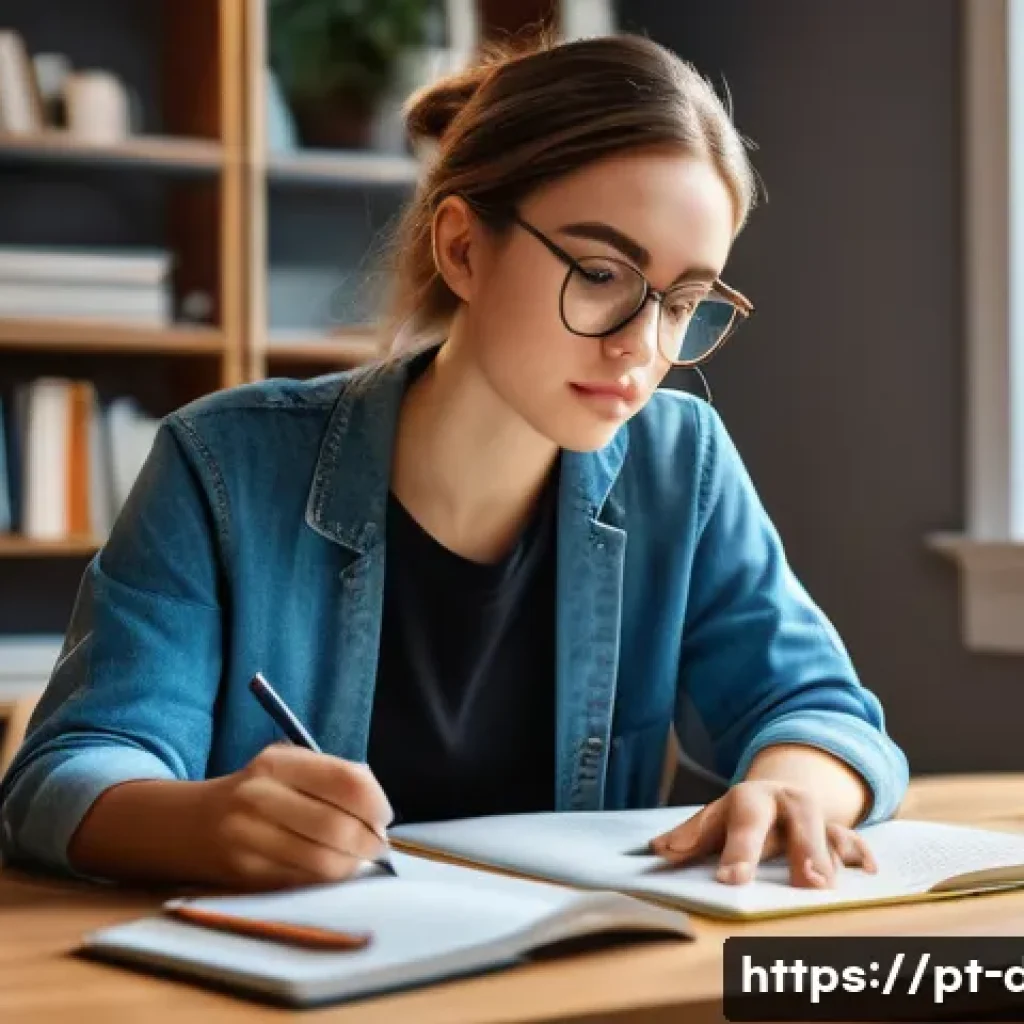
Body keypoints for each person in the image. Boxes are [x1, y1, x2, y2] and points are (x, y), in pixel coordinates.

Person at [0, 34, 907, 892]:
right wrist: (203, 824)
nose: (643, 345)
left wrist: (796, 785)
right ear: (463, 247)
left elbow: (823, 713)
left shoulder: (682, 463)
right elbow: (68, 770)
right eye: (600, 274)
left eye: (684, 300)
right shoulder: (222, 464)